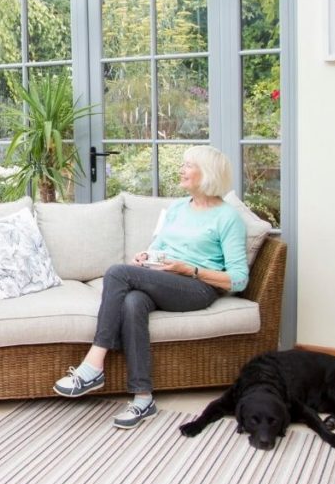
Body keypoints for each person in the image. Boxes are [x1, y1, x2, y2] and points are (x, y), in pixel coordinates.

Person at [53, 145, 249, 429]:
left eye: (188, 165)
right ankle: (143, 398)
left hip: (196, 287)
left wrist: (189, 269)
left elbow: (239, 278)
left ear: (207, 174)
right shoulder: (178, 207)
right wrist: (146, 257)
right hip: (165, 279)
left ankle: (94, 365)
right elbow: (159, 246)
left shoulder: (227, 218)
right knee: (133, 302)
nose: (181, 170)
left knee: (117, 273)